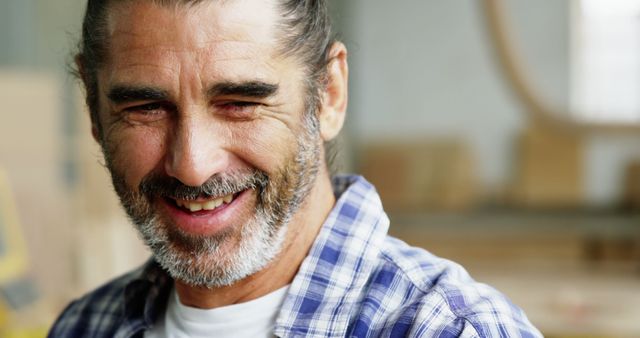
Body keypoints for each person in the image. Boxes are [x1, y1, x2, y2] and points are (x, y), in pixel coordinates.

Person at [48, 0, 542, 337]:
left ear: (329, 95)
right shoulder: (86, 325)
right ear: (94, 109)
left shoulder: (450, 329)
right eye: (146, 109)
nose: (193, 167)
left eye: (240, 102)